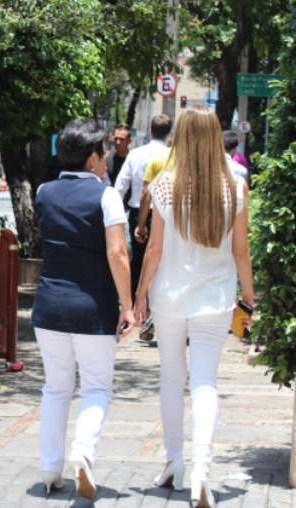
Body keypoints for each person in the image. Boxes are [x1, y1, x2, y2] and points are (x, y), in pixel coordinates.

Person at [134, 107, 254, 508]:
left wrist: (140, 293)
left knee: (172, 378)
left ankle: (174, 463)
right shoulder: (236, 187)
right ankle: (202, 469)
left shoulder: (166, 185)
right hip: (215, 299)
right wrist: (251, 299)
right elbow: (241, 252)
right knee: (205, 382)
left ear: (181, 138)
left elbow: (153, 249)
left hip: (170, 297)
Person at [32, 119, 135, 501]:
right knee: (95, 387)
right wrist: (128, 306)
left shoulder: (44, 192)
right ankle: (84, 453)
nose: (106, 158)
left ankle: (49, 469)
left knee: (55, 388)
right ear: (93, 158)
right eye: (104, 152)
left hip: (48, 308)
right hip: (93, 308)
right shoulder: (106, 196)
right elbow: (118, 253)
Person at [115, 114, 172, 298]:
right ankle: (156, 299)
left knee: (138, 260)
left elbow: (120, 188)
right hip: (166, 212)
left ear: (150, 131)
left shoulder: (135, 154)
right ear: (169, 133)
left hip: (138, 212)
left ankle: (134, 300)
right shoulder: (173, 156)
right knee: (162, 259)